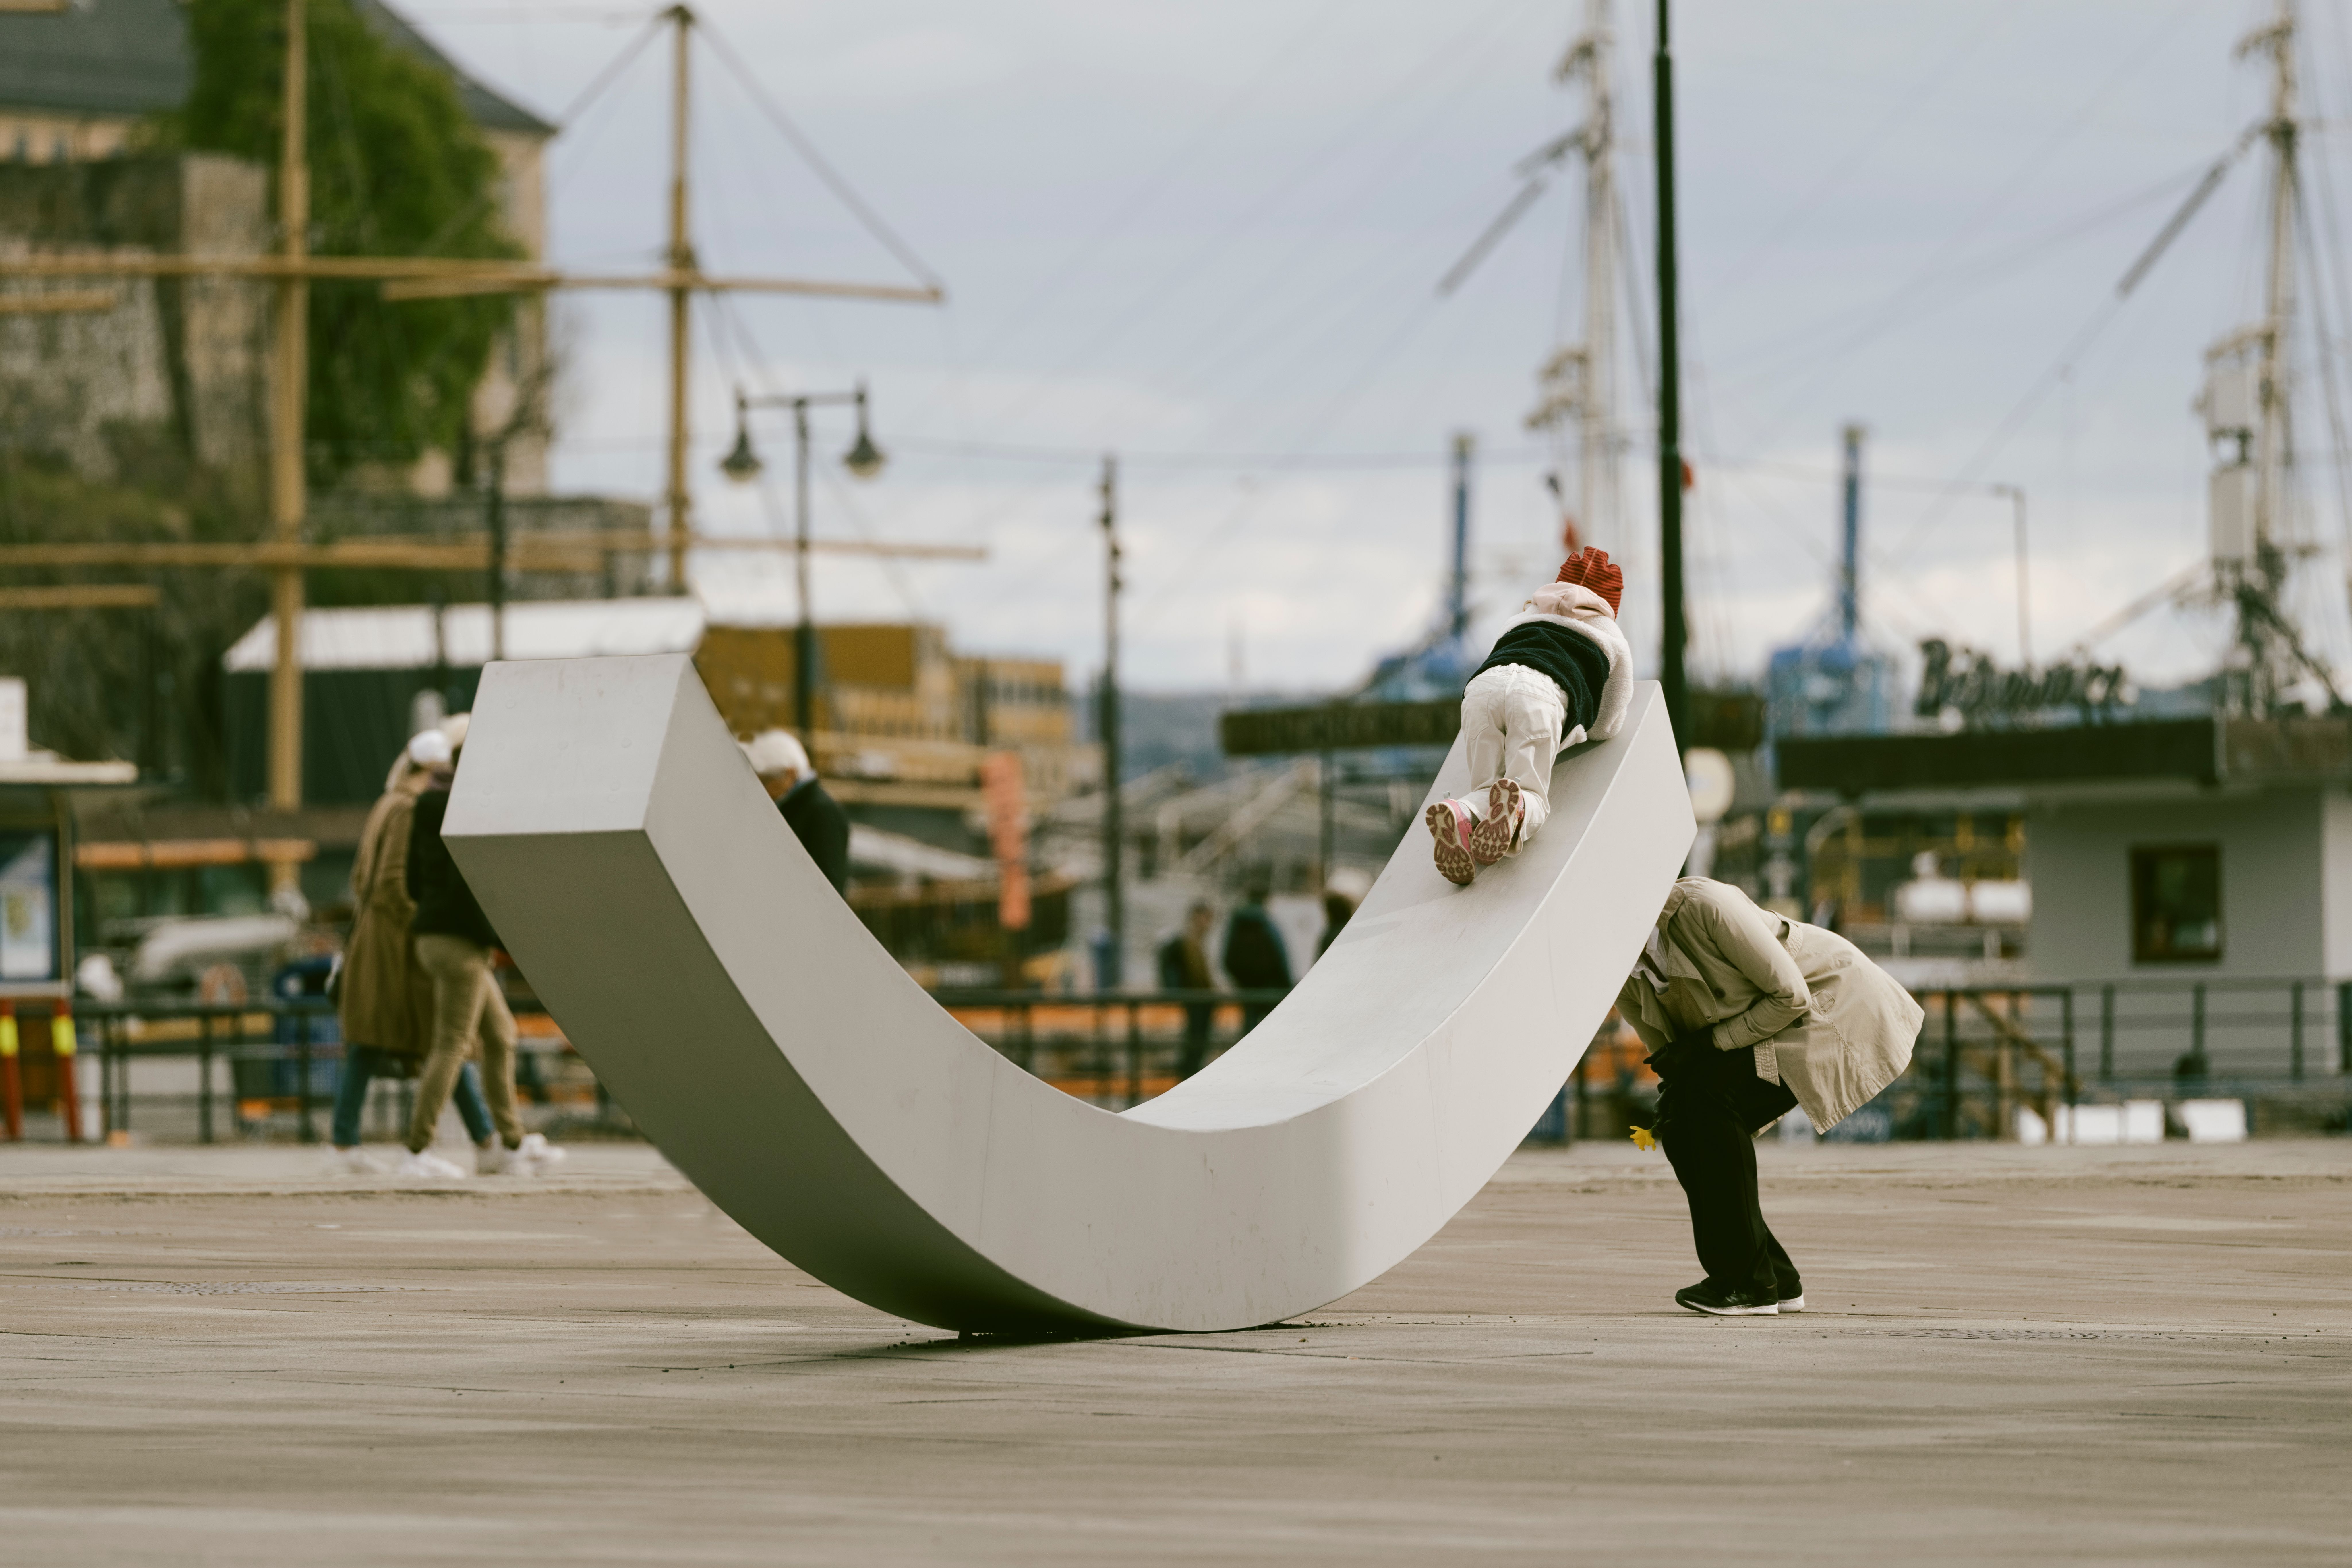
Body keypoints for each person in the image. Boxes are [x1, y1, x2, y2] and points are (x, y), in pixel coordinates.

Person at [1618, 877, 1923, 1317]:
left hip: (1828, 1006)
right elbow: (1667, 1047)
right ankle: (1775, 1277)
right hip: (1758, 1027)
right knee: (1681, 1124)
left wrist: (1708, 1049)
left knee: (1709, 1101)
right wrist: (1677, 1083)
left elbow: (1791, 995)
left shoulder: (1706, 906)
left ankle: (1746, 1281)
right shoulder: (1614, 962)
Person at [329, 727, 499, 1175]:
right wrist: (423, 921)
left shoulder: (389, 801)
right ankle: (476, 1141)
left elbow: (364, 879)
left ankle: (346, 1144)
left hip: (378, 943)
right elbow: (392, 883)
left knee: (385, 1041)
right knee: (446, 1037)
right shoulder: (409, 808)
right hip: (397, 948)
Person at [403, 720, 564, 1180]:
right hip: (461, 943)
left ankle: (510, 1144)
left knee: (500, 1035)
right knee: (452, 1043)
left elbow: (415, 880)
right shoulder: (466, 808)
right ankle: (416, 1149)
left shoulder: (424, 807)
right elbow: (473, 884)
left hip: (434, 936)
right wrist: (496, 935)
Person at [1426, 546, 1632, 886]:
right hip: (1540, 694)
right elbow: (1609, 721)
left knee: (1485, 785)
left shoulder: (1523, 617)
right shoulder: (1610, 636)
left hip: (1481, 689)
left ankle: (1460, 813)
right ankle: (1518, 806)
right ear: (1609, 606)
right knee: (1531, 792)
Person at [742, 729, 850, 895]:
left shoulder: (822, 812)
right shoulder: (800, 806)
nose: (762, 788)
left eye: (766, 780)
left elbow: (830, 886)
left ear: (790, 774)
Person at [1220, 880, 1292, 1035]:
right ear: (1266, 899)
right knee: (1270, 1030)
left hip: (1246, 986)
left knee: (1248, 1027)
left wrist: (1240, 980)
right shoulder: (1267, 923)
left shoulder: (1237, 922)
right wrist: (1288, 986)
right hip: (1269, 987)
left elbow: (1226, 957)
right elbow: (1281, 957)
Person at [1157, 901, 1218, 1078]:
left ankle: (1189, 1073)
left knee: (1196, 1042)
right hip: (1197, 1002)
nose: (1208, 924)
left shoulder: (1195, 942)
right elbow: (1198, 977)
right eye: (1205, 919)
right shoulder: (1189, 943)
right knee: (1195, 1042)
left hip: (1199, 1002)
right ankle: (1188, 1074)